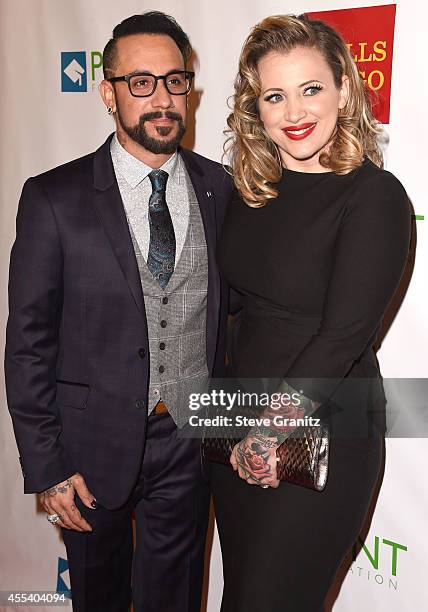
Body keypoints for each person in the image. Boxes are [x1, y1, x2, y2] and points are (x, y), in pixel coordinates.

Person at [4, 11, 232, 612]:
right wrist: (46, 464)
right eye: (141, 83)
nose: (162, 99)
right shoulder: (53, 198)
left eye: (175, 80)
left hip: (189, 439)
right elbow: (27, 342)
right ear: (108, 93)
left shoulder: (221, 189)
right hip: (88, 448)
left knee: (176, 598)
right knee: (99, 597)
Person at [210, 14, 411, 612]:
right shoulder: (252, 195)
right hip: (236, 426)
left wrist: (270, 431)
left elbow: (345, 334)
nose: (294, 111)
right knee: (241, 597)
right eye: (275, 95)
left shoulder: (373, 196)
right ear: (257, 107)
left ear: (344, 90)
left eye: (311, 88)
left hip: (322, 425)